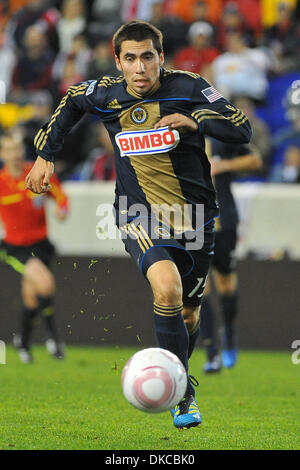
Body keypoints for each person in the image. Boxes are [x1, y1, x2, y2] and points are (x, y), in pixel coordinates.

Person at [25, 20, 251, 429]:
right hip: (138, 213)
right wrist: (46, 154)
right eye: (130, 58)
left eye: (148, 56)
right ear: (119, 62)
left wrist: (195, 120)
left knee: (188, 315)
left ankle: (182, 380)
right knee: (167, 288)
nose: (140, 67)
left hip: (195, 216)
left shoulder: (189, 86)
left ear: (161, 58)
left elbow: (241, 128)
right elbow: (74, 99)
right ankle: (182, 396)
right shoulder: (107, 95)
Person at [0, 130, 69, 363]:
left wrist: (62, 209)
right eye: (9, 150)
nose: (14, 154)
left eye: (17, 149)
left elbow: (60, 196)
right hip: (15, 247)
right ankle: (53, 339)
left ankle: (23, 342)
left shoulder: (36, 173)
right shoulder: (1, 182)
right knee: (46, 285)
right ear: (2, 154)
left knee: (31, 299)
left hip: (41, 245)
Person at [200, 138, 262, 373]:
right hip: (192, 220)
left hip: (224, 219)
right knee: (199, 287)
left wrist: (222, 165)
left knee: (225, 282)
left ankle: (228, 331)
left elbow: (255, 160)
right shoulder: (176, 133)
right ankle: (211, 352)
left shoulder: (220, 131)